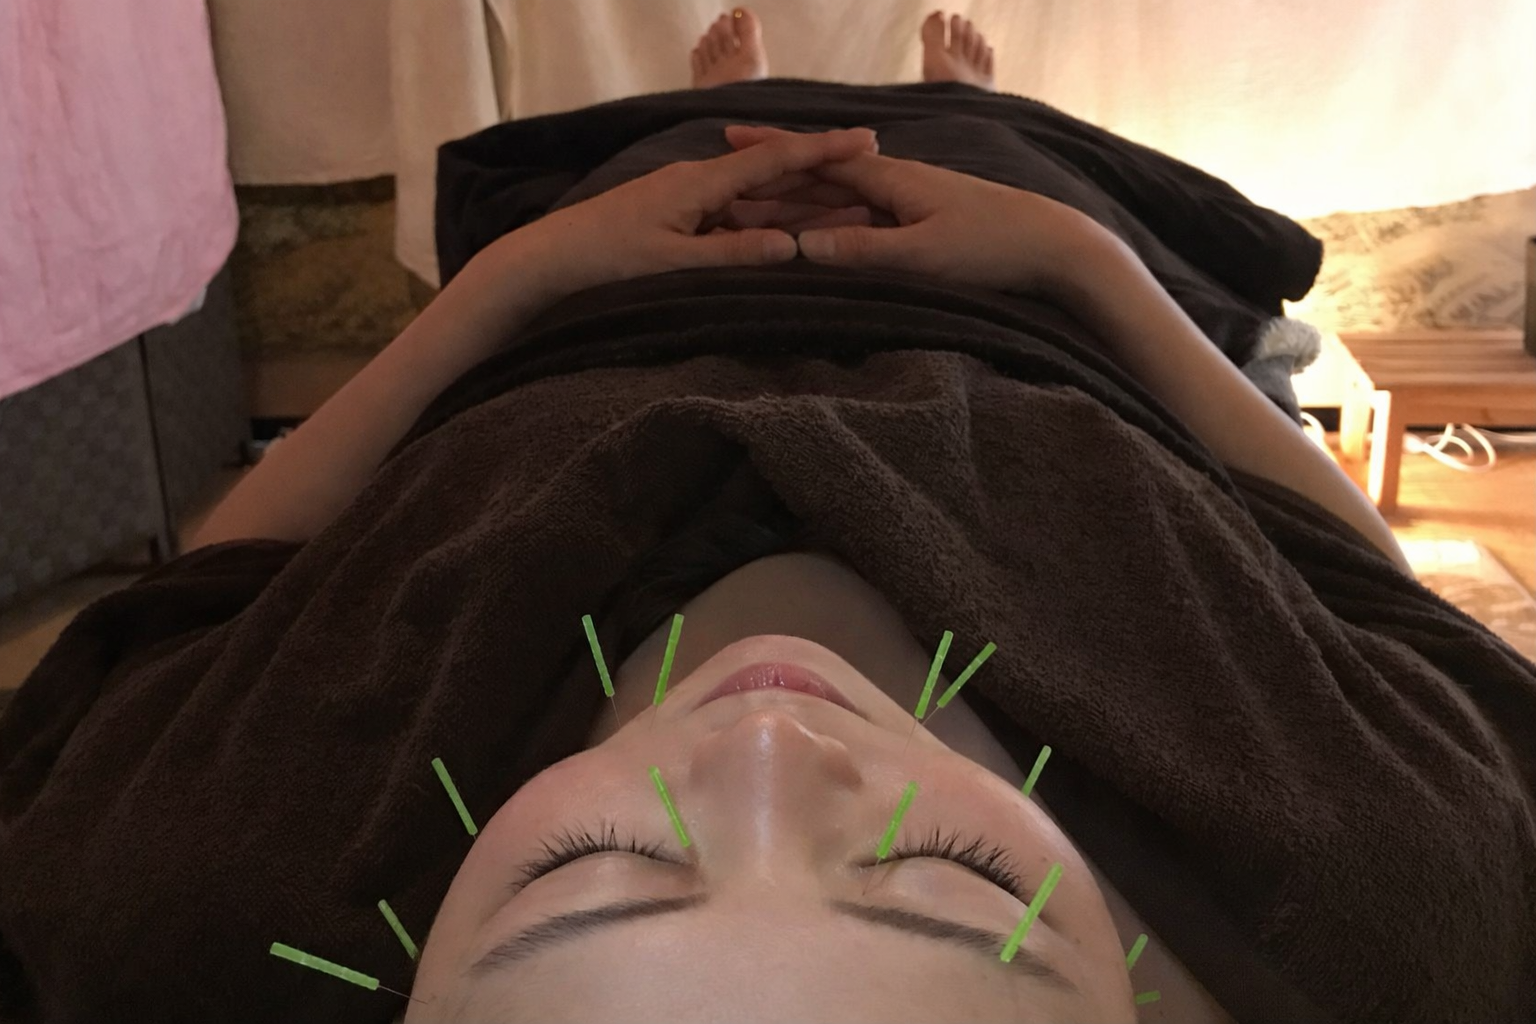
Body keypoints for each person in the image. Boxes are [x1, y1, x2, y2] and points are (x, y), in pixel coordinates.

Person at [2, 9, 1533, 1024]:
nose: (762, 743)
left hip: (598, 302)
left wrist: (523, 278)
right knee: (994, 143)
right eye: (954, 878)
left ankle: (719, 95)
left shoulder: (186, 900)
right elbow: (1377, 599)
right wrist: (1075, 261)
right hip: (1020, 308)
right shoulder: (1393, 899)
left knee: (681, 144)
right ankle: (959, 109)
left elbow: (199, 593)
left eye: (583, 871)